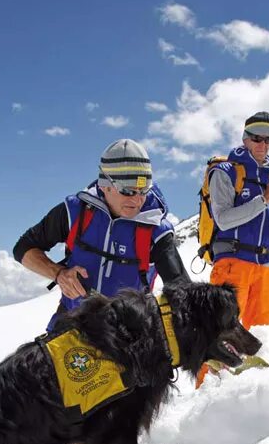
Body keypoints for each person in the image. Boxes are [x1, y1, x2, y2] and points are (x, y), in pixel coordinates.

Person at [14, 139, 189, 331]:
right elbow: (23, 248)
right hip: (71, 325)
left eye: (144, 190)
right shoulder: (75, 212)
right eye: (128, 190)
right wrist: (59, 273)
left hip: (127, 337)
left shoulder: (156, 230)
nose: (138, 199)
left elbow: (183, 292)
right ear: (105, 184)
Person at [197, 111, 269, 383]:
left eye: (268, 139)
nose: (262, 144)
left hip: (265, 267)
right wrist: (264, 199)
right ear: (245, 138)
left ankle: (249, 398)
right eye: (256, 138)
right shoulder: (225, 171)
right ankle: (205, 395)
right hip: (232, 262)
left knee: (259, 338)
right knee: (220, 334)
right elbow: (224, 219)